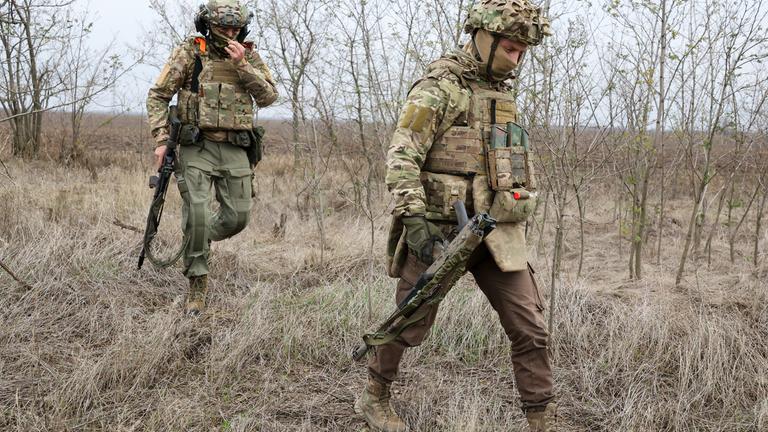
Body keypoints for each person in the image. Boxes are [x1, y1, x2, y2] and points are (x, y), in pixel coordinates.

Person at [355, 0, 556, 431]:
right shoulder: (439, 86)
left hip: (496, 233)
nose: (517, 57)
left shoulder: (503, 94)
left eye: (523, 50)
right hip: (441, 232)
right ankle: (374, 398)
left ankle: (542, 421)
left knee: (531, 328)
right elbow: (401, 157)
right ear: (484, 38)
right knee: (407, 321)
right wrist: (415, 221)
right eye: (510, 47)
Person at [146, 0, 277, 316]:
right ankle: (198, 288)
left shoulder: (248, 55)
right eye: (224, 27)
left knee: (238, 217)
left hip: (235, 148)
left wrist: (243, 65)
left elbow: (269, 96)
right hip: (196, 146)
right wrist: (162, 140)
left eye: (235, 27)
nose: (230, 33)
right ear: (208, 24)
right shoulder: (191, 52)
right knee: (200, 213)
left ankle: (196, 237)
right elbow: (158, 96)